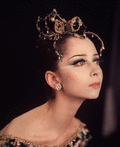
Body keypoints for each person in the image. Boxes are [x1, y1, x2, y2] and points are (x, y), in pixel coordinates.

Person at [0, 9, 104, 147]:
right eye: (80, 62)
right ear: (54, 79)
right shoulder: (13, 140)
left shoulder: (80, 133)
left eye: (96, 61)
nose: (96, 70)